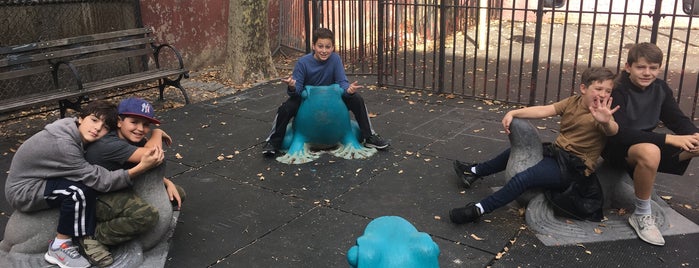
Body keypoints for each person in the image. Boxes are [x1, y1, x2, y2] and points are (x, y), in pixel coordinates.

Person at [4, 100, 164, 268]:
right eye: (94, 120)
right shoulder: (64, 145)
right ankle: (60, 246)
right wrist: (141, 166)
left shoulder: (72, 129)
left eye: (104, 127)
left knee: (83, 186)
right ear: (80, 118)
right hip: (25, 190)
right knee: (77, 192)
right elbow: (99, 180)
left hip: (45, 177)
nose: (97, 128)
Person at [450, 67, 619, 225]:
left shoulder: (602, 116)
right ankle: (473, 172)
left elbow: (613, 130)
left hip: (573, 168)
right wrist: (513, 112)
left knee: (524, 178)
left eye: (608, 91)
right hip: (557, 154)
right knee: (515, 152)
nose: (603, 94)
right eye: (598, 89)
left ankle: (478, 210)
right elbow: (544, 110)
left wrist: (606, 122)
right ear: (584, 89)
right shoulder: (573, 102)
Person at [603, 42, 699, 246]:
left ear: (659, 69)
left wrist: (695, 135)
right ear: (628, 67)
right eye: (641, 67)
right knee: (651, 150)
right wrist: (670, 139)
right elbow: (622, 133)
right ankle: (641, 214)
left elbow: (676, 119)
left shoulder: (660, 88)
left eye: (653, 68)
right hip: (617, 146)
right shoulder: (618, 90)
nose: (647, 73)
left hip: (648, 144)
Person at [83, 97, 185, 264]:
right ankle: (96, 234)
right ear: (118, 121)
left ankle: (124, 224)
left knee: (177, 195)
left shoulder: (130, 137)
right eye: (134, 122)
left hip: (120, 184)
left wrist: (166, 182)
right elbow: (153, 155)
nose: (140, 129)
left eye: (146, 125)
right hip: (98, 195)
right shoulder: (109, 144)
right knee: (146, 216)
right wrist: (157, 132)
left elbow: (148, 164)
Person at [262, 27, 389, 157]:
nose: (324, 50)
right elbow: (297, 90)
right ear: (313, 46)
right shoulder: (303, 63)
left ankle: (369, 137)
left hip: (333, 98)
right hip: (309, 99)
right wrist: (292, 87)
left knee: (357, 99)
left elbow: (342, 82)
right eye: (320, 46)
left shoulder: (335, 60)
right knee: (285, 109)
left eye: (328, 47)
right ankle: (273, 141)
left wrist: (348, 90)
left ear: (333, 47)